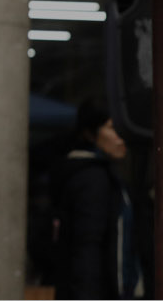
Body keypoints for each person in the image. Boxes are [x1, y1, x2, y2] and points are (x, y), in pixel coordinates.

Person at [50, 99, 145, 300]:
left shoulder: (100, 175)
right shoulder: (92, 179)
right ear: (89, 133)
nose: (121, 138)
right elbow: (87, 247)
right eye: (112, 128)